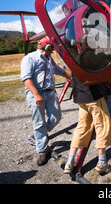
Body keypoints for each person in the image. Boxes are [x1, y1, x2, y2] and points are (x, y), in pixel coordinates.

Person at [64, 35, 111, 175]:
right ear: (90, 44)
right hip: (94, 97)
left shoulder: (77, 58)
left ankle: (70, 162)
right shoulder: (91, 57)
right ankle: (102, 162)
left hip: (81, 98)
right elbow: (102, 73)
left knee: (82, 127)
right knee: (102, 126)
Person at [21, 37, 71, 166]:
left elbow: (59, 71)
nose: (53, 50)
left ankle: (37, 136)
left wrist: (74, 78)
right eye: (52, 48)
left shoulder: (49, 59)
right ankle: (42, 151)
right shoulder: (29, 59)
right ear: (47, 47)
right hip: (36, 94)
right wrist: (36, 94)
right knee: (39, 123)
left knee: (56, 117)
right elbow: (26, 79)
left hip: (50, 92)